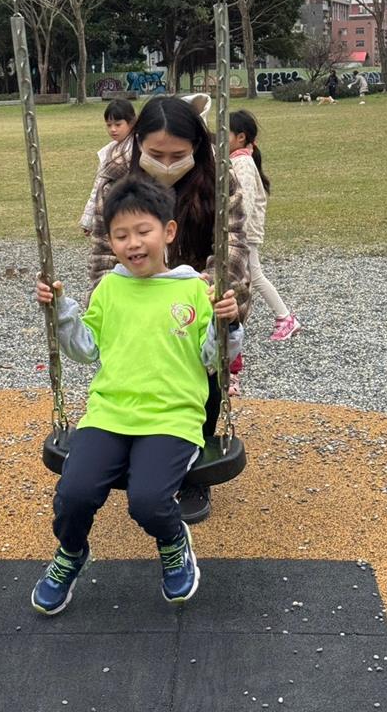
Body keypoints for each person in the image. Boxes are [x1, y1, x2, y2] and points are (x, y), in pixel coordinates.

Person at [32, 176, 243, 615]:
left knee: (148, 501)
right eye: (121, 235)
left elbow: (212, 358)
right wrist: (61, 311)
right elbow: (86, 348)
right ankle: (71, 551)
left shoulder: (194, 289)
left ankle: (173, 543)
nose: (133, 243)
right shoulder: (110, 288)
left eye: (143, 231)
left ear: (168, 232)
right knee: (74, 494)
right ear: (110, 242)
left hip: (172, 417)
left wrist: (228, 324)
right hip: (109, 413)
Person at [88, 94, 250, 525]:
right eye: (155, 154)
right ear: (137, 143)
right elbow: (104, 245)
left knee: (202, 374)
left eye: (177, 155)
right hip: (135, 288)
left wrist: (208, 291)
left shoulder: (218, 177)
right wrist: (105, 300)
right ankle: (137, 448)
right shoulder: (117, 176)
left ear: (196, 146)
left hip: (199, 290)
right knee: (139, 371)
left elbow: (233, 242)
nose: (165, 163)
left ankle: (193, 470)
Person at [230, 109, 301, 360]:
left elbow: (245, 200)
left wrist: (235, 227)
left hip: (244, 230)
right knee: (250, 276)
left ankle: (285, 318)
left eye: (226, 135)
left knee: (255, 275)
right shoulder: (238, 159)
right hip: (242, 229)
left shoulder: (243, 163)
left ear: (240, 137)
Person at [79, 98, 136, 235]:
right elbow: (98, 186)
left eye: (118, 124)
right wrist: (88, 220)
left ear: (131, 123)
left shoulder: (139, 148)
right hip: (110, 211)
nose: (113, 129)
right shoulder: (108, 151)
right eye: (109, 125)